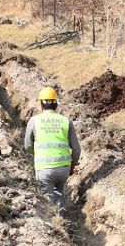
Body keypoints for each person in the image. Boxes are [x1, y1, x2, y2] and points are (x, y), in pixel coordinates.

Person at [23, 87, 81, 215]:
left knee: (48, 202)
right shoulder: (66, 121)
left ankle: (55, 228)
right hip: (63, 169)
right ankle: (63, 222)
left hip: (44, 169)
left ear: (41, 104)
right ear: (56, 103)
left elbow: (27, 146)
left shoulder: (34, 121)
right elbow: (76, 150)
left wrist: (36, 155)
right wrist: (72, 166)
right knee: (59, 194)